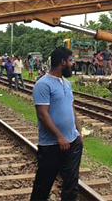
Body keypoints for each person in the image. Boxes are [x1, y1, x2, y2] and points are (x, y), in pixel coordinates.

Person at [30, 47, 83, 201]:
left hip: (72, 141)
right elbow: (42, 114)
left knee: (71, 184)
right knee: (43, 184)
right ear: (63, 62)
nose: (72, 64)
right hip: (52, 145)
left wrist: (78, 132)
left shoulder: (67, 83)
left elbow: (71, 107)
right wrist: (59, 136)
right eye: (70, 61)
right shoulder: (43, 84)